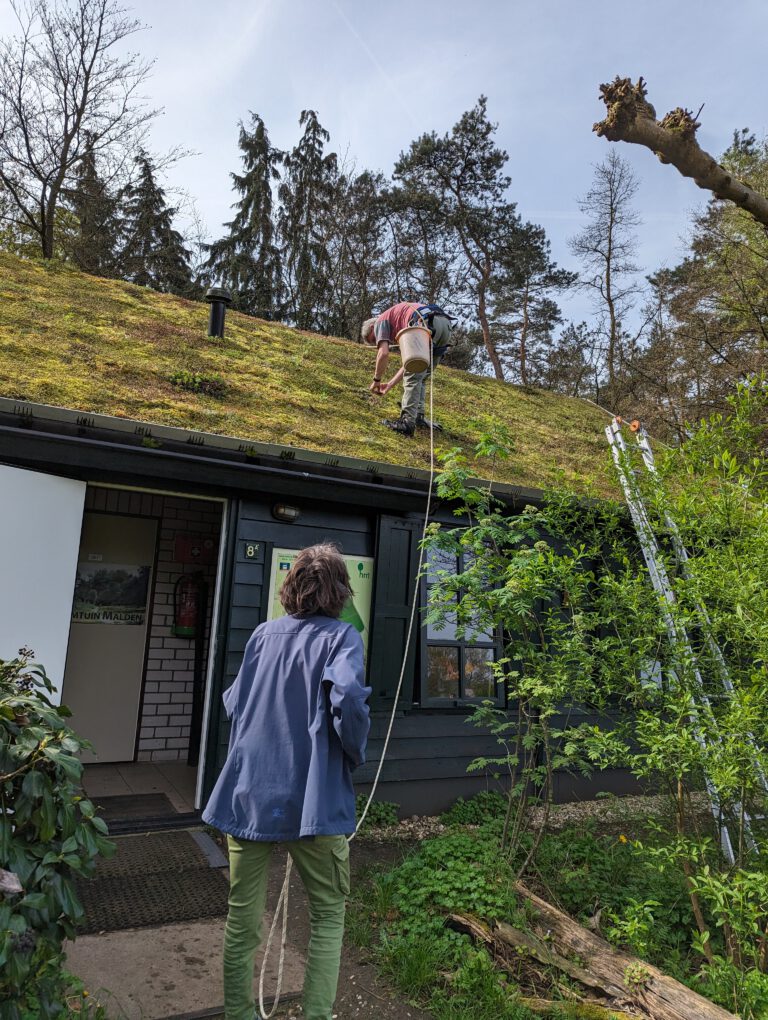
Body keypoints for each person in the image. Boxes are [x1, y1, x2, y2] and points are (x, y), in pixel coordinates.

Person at [202, 543, 371, 1020]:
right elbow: (351, 707)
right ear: (340, 591)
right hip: (313, 798)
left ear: (290, 586)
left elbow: (234, 702)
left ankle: (238, 1014)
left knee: (242, 918)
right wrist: (352, 752)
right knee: (327, 916)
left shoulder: (261, 635)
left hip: (249, 791)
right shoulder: (342, 638)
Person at [361, 301, 453, 436]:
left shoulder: (381, 321)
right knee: (420, 376)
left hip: (424, 322)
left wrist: (376, 380)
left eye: (375, 339)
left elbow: (384, 353)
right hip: (444, 324)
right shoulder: (398, 319)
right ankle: (418, 417)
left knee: (414, 377)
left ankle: (406, 423)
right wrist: (390, 384)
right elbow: (410, 364)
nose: (379, 340)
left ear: (372, 326)